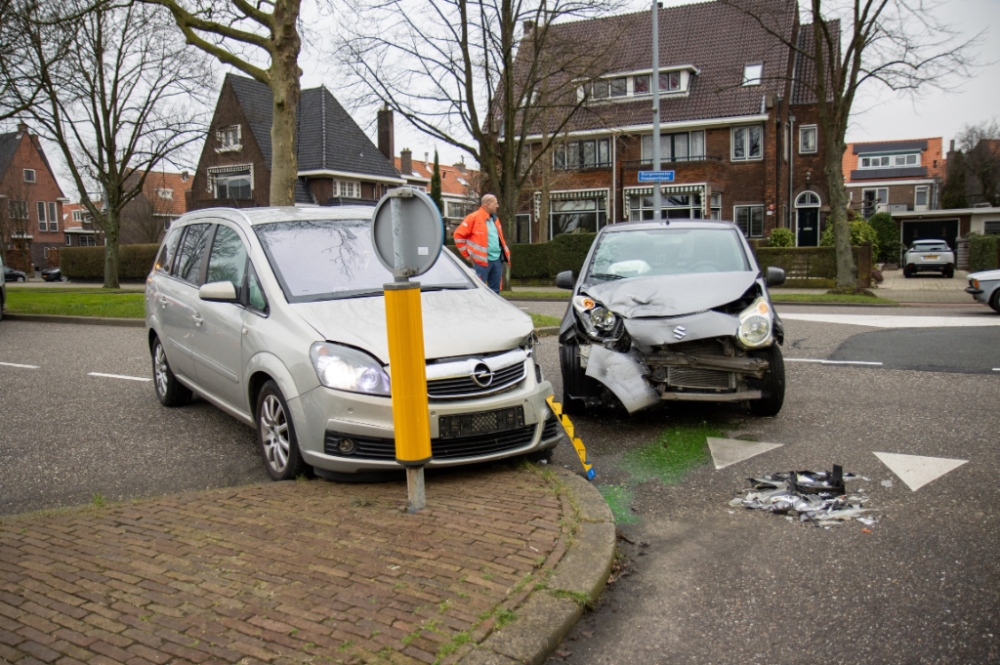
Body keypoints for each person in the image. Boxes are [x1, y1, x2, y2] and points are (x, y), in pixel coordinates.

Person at [453, 193, 510, 293]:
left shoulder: (495, 219)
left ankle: (493, 308)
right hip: (481, 262)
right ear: (487, 204)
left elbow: (499, 239)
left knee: (495, 291)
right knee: (479, 291)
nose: (497, 206)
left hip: (496, 260)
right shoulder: (473, 218)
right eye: (495, 203)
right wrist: (467, 256)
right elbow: (458, 236)